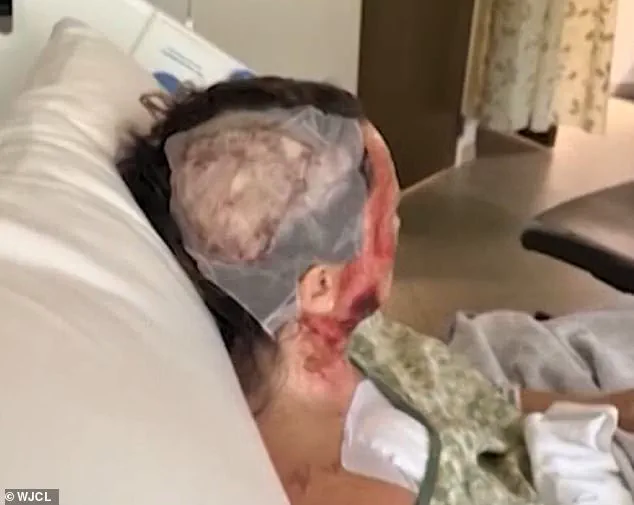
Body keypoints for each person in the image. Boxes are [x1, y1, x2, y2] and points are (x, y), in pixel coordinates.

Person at [118, 76, 634, 505]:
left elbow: (471, 403)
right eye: (387, 216)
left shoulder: (338, 336)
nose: (399, 225)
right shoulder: (342, 486)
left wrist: (607, 405)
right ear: (321, 285)